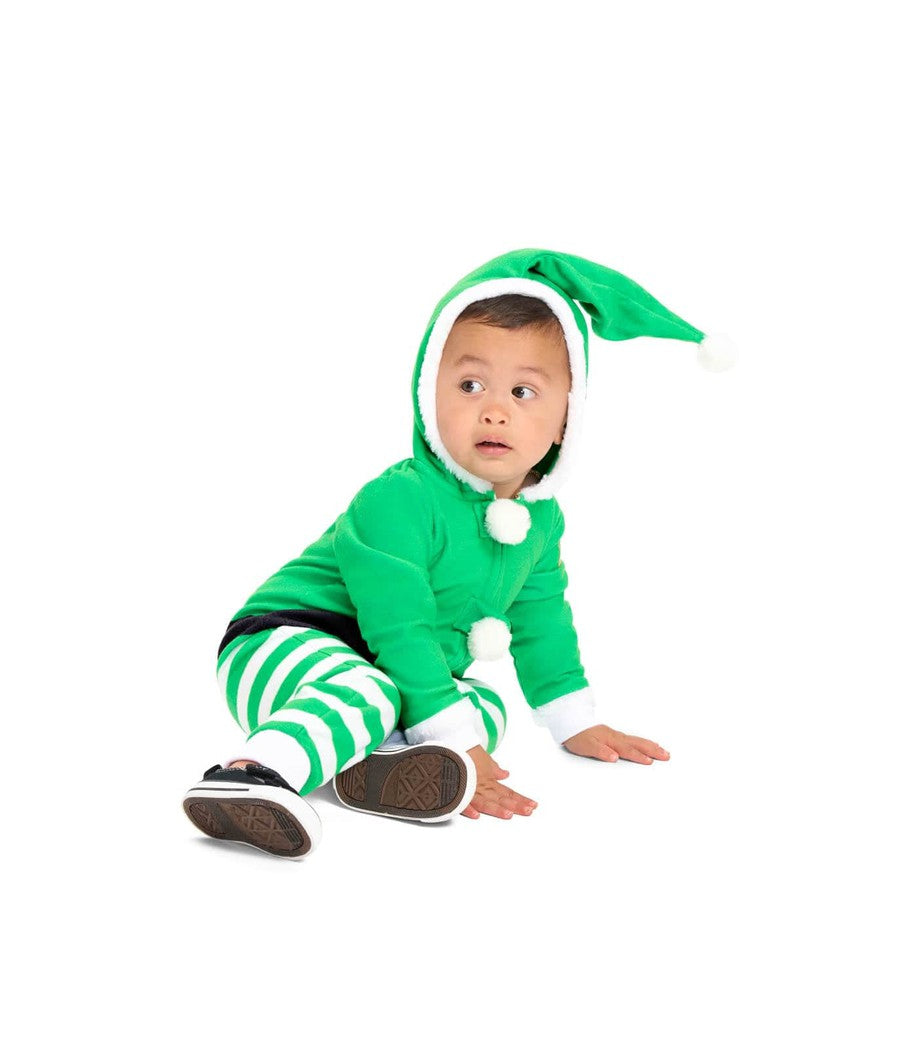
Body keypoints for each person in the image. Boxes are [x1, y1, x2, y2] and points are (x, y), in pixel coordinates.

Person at [182, 248, 735, 858]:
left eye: (524, 391)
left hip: (389, 669)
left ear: (565, 420)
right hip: (284, 641)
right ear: (428, 395)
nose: (494, 410)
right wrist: (450, 733)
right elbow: (399, 625)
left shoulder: (541, 521)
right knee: (380, 695)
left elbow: (542, 619)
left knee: (486, 706)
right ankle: (250, 774)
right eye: (470, 386)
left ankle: (371, 765)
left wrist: (573, 719)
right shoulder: (398, 498)